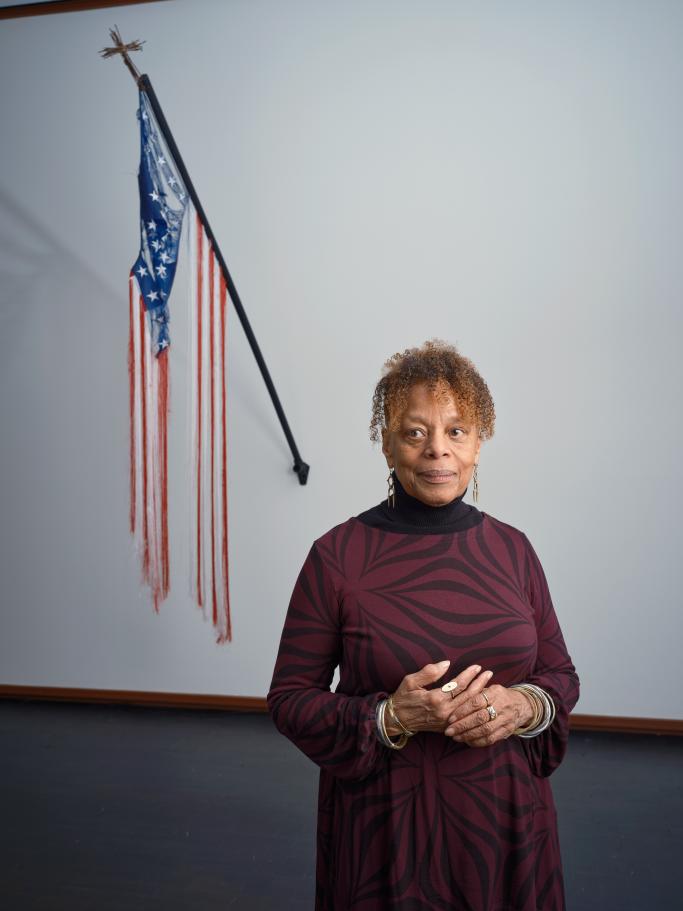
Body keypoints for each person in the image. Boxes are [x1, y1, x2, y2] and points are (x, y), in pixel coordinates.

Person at [267, 340, 580, 910]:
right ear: (386, 444)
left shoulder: (513, 550)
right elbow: (289, 699)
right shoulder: (337, 556)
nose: (438, 450)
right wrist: (387, 717)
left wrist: (525, 706)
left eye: (456, 431)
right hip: (387, 835)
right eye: (415, 433)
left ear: (479, 444)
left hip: (506, 829)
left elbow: (559, 673)